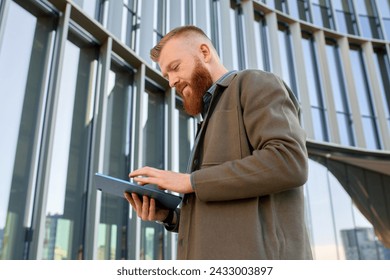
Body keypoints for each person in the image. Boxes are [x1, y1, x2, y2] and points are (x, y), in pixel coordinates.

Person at [124, 25, 312, 260]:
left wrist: (189, 181)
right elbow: (225, 217)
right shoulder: (208, 117)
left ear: (204, 52)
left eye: (175, 67)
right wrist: (168, 216)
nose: (171, 82)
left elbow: (289, 161)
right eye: (166, 76)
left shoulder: (255, 83)